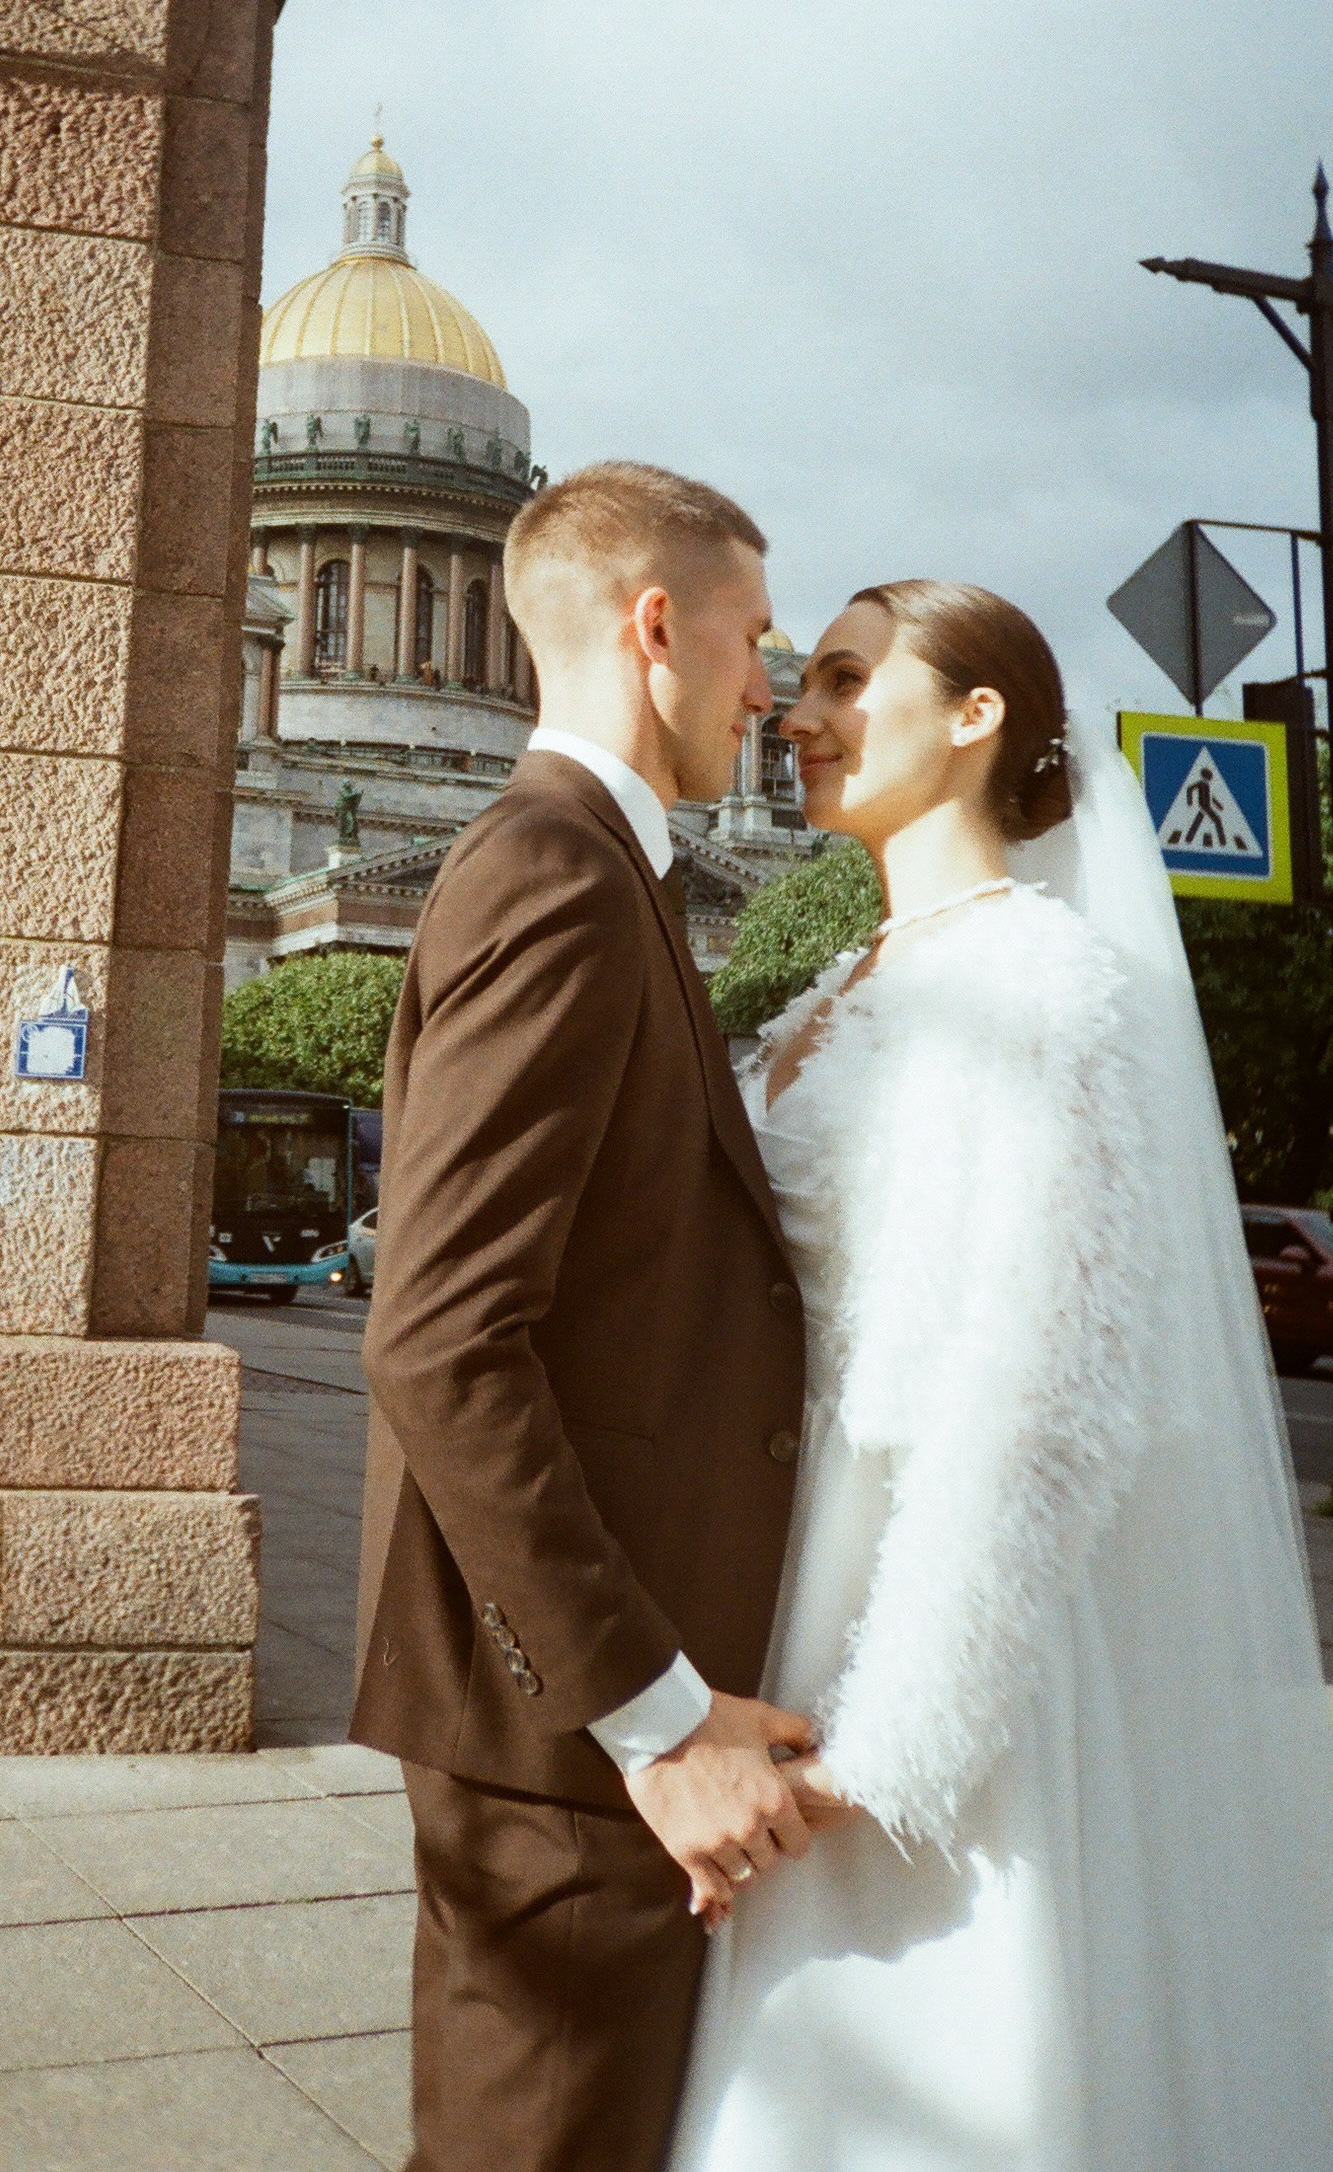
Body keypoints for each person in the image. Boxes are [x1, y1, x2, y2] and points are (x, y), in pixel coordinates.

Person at [668, 578, 1333, 2172]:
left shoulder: (1041, 989)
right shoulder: (851, 975)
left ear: (976, 714)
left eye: (846, 677)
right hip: (789, 1587)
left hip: (922, 1645)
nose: (798, 712)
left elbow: (1040, 1396)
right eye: (802, 682)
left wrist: (890, 1743)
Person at [351, 462, 818, 2172]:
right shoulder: (556, 869)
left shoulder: (601, 867)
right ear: (657, 627)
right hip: (569, 1743)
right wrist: (658, 1717)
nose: (769, 691)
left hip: (572, 1725)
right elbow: (440, 1336)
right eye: (754, 638)